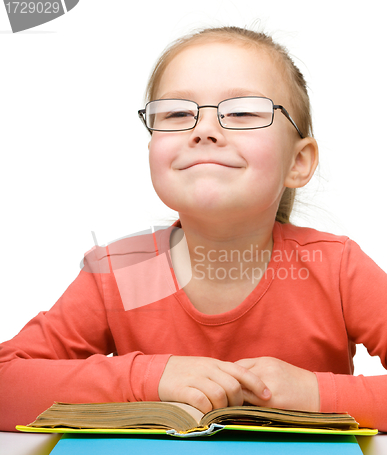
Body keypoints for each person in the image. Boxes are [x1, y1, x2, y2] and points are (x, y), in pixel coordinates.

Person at [1, 26, 386, 433]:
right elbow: (7, 384)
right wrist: (150, 378)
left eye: (242, 111)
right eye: (177, 113)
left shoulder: (336, 268)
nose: (203, 129)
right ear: (151, 150)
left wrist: (315, 395)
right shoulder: (123, 272)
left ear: (299, 162)